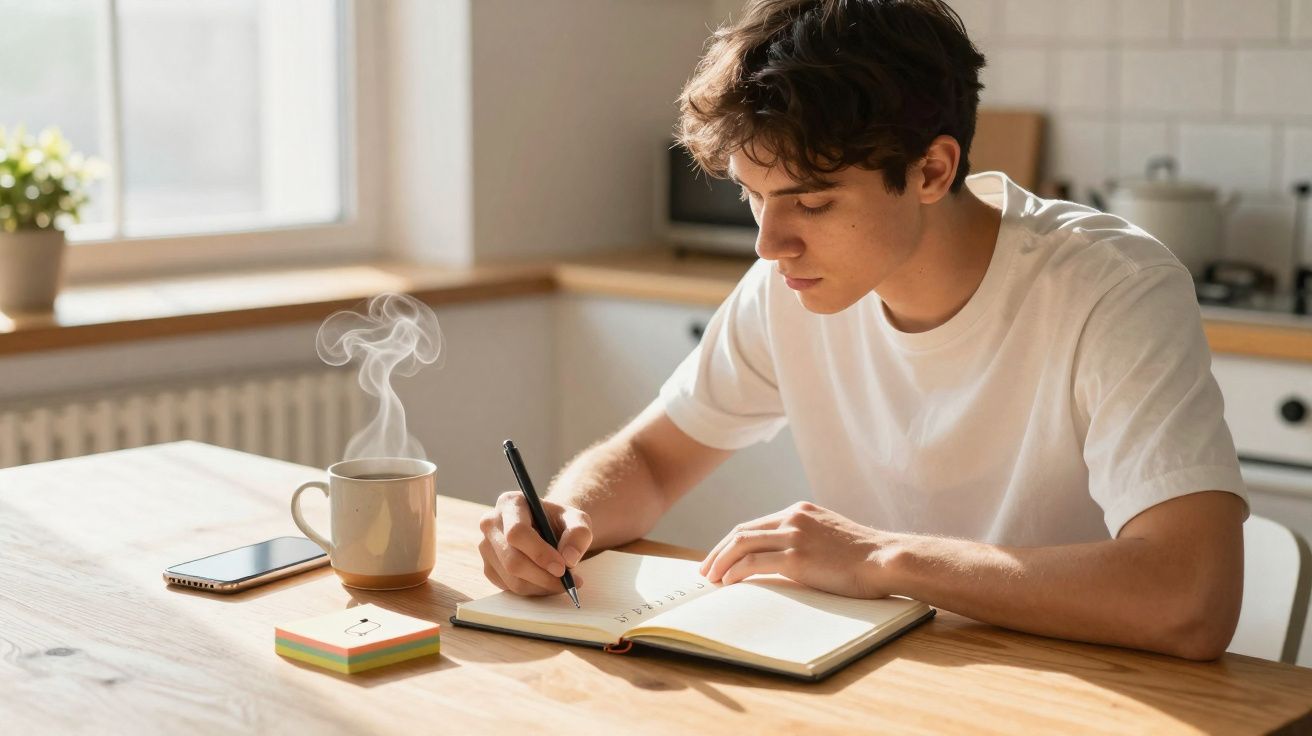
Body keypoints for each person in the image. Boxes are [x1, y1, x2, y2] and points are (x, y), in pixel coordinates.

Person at [477, 0, 1248, 661]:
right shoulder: (785, 287)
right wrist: (562, 518)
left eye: (811, 204)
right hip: (881, 678)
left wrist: (882, 557)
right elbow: (649, 461)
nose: (769, 243)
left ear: (932, 171)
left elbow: (1190, 598)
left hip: (1076, 690)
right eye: (754, 195)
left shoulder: (1111, 290)